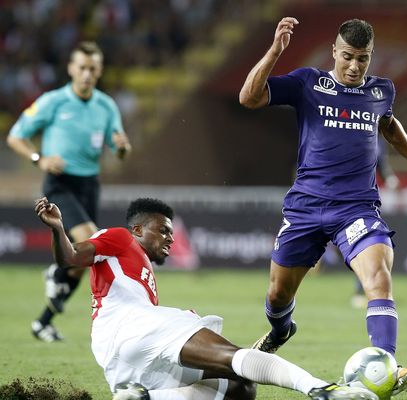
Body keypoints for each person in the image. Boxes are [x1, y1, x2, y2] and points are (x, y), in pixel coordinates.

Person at [239, 17, 407, 394]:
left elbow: (388, 124)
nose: (354, 66)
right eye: (348, 56)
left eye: (363, 59)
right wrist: (275, 51)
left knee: (379, 280)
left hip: (357, 209)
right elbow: (249, 98)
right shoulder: (308, 83)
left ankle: (387, 365)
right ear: (334, 51)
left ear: (371, 57)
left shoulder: (382, 91)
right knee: (277, 295)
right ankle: (281, 330)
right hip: (305, 207)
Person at [34, 196, 378, 400]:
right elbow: (70, 258)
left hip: (120, 356)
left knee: (240, 389)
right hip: (129, 327)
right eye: (163, 229)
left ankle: (148, 397)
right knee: (233, 358)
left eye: (171, 231)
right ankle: (325, 390)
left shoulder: (138, 273)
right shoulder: (120, 237)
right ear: (138, 229)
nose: (170, 238)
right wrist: (58, 229)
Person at [7, 41, 132, 342]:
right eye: (82, 67)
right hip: (60, 183)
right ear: (71, 69)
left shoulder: (106, 106)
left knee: (83, 258)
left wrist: (123, 147)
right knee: (92, 241)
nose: (87, 74)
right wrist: (40, 159)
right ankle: (57, 275)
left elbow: (120, 147)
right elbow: (15, 136)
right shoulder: (53, 101)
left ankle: (43, 321)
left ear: (99, 71)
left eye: (93, 68)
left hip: (90, 186)